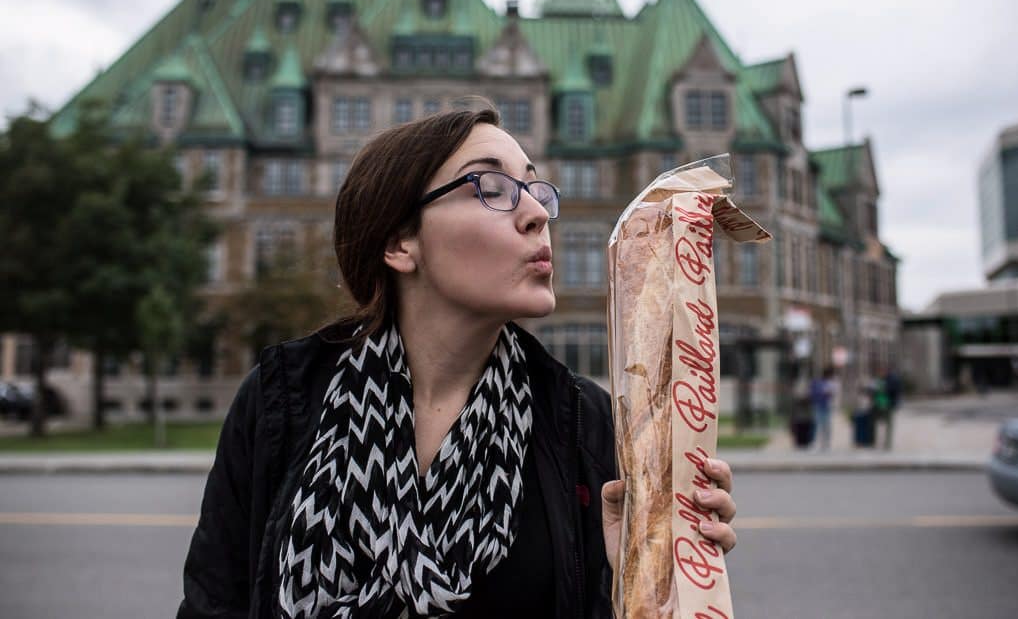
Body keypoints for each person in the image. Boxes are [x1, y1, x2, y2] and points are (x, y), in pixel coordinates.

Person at [177, 106, 738, 619]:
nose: (538, 212)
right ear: (400, 242)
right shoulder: (284, 398)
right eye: (492, 187)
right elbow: (212, 606)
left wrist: (640, 585)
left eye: (535, 188)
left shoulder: (582, 418)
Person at [810, 367, 837, 451]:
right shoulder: (817, 383)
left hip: (826, 406)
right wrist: (823, 393)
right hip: (818, 406)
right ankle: (817, 443)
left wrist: (829, 394)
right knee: (818, 425)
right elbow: (813, 393)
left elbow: (832, 394)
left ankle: (826, 443)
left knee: (827, 425)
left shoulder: (829, 383)